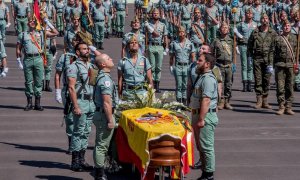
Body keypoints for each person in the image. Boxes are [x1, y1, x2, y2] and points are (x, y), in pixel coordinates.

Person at [16, 15, 58, 111]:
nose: (32, 22)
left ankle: (37, 103)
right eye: (30, 21)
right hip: (28, 59)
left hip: (38, 58)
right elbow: (18, 48)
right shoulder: (22, 34)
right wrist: (18, 60)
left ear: (36, 23)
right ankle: (29, 103)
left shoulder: (42, 33)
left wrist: (47, 22)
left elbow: (56, 32)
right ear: (28, 23)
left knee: (38, 81)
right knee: (28, 82)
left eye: (34, 21)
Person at [67, 42, 95, 171]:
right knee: (78, 132)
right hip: (80, 102)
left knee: (86, 132)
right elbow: (71, 88)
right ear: (77, 52)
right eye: (84, 49)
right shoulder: (73, 66)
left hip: (90, 103)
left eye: (87, 49)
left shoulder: (91, 65)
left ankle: (82, 159)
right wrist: (76, 106)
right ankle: (75, 161)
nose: (87, 51)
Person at [191, 53, 218, 180]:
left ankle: (209, 175)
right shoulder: (202, 77)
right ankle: (204, 172)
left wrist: (201, 119)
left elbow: (206, 100)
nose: (197, 62)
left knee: (206, 147)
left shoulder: (207, 79)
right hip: (198, 115)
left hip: (205, 117)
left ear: (207, 64)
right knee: (201, 146)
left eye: (200, 60)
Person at [93, 54, 118, 180]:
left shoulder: (104, 77)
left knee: (102, 144)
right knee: (102, 145)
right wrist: (110, 120)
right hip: (104, 115)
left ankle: (101, 169)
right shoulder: (105, 80)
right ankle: (99, 173)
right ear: (103, 64)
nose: (112, 59)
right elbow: (107, 102)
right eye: (109, 58)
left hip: (102, 113)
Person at [247, 13, 277, 109]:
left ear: (268, 20)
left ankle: (265, 100)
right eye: (263, 18)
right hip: (257, 59)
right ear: (260, 20)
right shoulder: (255, 32)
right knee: (258, 79)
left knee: (267, 80)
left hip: (269, 60)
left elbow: (276, 47)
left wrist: (274, 61)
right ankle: (259, 100)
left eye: (266, 18)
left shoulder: (273, 32)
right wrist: (250, 58)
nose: (265, 20)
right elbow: (249, 46)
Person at [273, 20, 298, 115]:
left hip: (291, 65)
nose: (287, 27)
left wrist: (297, 64)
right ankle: (281, 106)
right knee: (280, 87)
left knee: (290, 87)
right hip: (280, 65)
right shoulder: (278, 38)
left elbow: (297, 52)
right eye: (285, 26)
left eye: (288, 25)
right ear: (282, 27)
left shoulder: (294, 38)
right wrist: (271, 65)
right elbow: (272, 52)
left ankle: (288, 107)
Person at [117, 35, 153, 100]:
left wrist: (152, 95)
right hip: (128, 94)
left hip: (142, 94)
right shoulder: (123, 62)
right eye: (131, 43)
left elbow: (149, 79)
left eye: (136, 42)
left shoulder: (144, 60)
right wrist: (119, 96)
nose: (134, 44)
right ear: (128, 46)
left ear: (139, 46)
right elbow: (120, 80)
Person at [169, 26, 195, 104]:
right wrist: (171, 66)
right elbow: (172, 56)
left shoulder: (189, 43)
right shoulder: (174, 43)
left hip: (187, 66)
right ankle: (178, 102)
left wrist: (193, 66)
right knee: (178, 85)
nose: (181, 33)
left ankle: (184, 101)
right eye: (179, 32)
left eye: (182, 32)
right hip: (178, 66)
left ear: (185, 33)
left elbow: (193, 55)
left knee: (185, 85)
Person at [144, 8, 168, 93]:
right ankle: (152, 84)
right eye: (154, 13)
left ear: (159, 15)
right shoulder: (148, 24)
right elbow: (145, 36)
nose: (155, 15)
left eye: (157, 13)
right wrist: (145, 47)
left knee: (159, 67)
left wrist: (166, 47)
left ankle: (157, 84)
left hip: (160, 47)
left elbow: (165, 36)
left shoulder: (163, 25)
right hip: (151, 46)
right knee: (152, 67)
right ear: (151, 14)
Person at [212, 22, 234, 110]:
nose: (224, 29)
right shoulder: (216, 41)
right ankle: (220, 101)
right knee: (219, 84)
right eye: (223, 27)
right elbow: (212, 53)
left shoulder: (231, 40)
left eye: (226, 27)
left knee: (228, 84)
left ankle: (227, 101)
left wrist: (234, 64)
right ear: (220, 30)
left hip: (228, 65)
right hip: (219, 65)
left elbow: (234, 53)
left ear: (228, 30)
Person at [235, 8, 257, 92]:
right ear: (245, 14)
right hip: (243, 46)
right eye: (247, 13)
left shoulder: (255, 24)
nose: (249, 15)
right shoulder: (241, 24)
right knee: (244, 65)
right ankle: (244, 84)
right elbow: (235, 31)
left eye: (250, 13)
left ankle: (249, 84)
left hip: (251, 47)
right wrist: (238, 35)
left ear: (252, 15)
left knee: (250, 65)